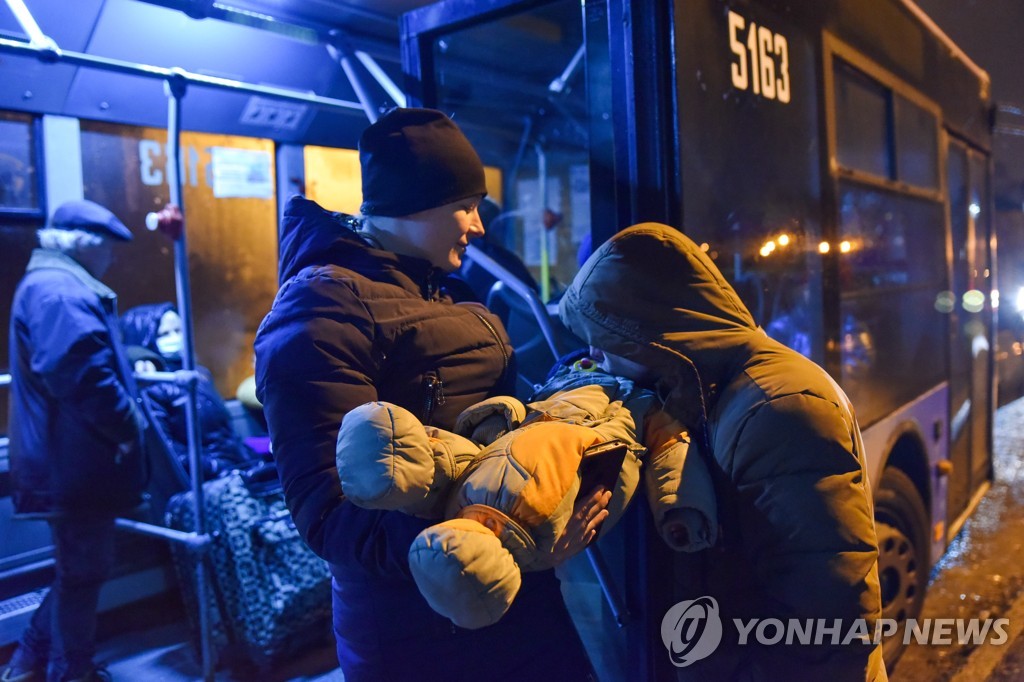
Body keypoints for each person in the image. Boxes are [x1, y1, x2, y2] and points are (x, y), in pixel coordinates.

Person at [254, 107, 604, 681]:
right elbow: (334, 517)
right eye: (463, 207)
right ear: (412, 208)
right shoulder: (321, 313)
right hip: (422, 631)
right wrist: (501, 528)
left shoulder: (442, 286)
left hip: (514, 599)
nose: (478, 225)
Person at [558, 223, 886, 680]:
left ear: (654, 331)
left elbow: (826, 620)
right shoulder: (698, 389)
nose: (594, 352)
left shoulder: (780, 408)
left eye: (608, 336)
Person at [334, 355, 716, 630]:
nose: (597, 352)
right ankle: (395, 465)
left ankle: (391, 462)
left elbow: (671, 451)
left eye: (610, 349)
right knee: (455, 473)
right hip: (525, 475)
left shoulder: (639, 405)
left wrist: (681, 510)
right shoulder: (636, 405)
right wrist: (682, 511)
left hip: (490, 475)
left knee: (447, 470)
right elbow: (673, 450)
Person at [3, 200, 146, 682]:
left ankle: (30, 662)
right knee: (84, 572)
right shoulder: (61, 293)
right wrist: (127, 424)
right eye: (108, 249)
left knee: (79, 571)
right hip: (70, 461)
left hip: (65, 458)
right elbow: (83, 375)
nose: (113, 260)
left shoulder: (49, 287)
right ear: (86, 245)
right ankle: (71, 671)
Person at [120, 302, 252, 480]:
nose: (175, 338)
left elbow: (224, 433)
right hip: (206, 480)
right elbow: (169, 451)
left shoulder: (198, 375)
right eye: (164, 334)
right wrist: (218, 469)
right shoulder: (152, 388)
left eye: (178, 330)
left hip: (234, 470)